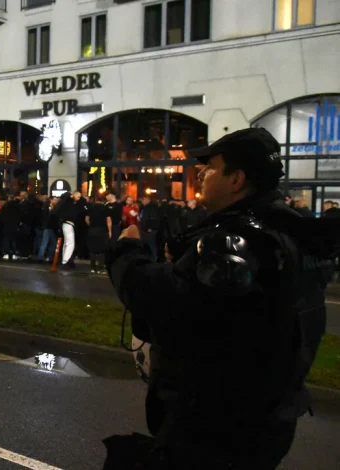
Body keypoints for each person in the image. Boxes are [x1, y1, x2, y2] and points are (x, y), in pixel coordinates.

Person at [106, 128, 334, 468]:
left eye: (210, 167)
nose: (200, 173)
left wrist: (127, 249)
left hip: (217, 425)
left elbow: (155, 296)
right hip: (271, 416)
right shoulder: (292, 231)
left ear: (237, 179)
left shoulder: (237, 243)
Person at [85, 194, 111, 274]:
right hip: (102, 230)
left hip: (93, 230)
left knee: (93, 249)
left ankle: (92, 267)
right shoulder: (106, 208)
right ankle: (100, 268)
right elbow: (108, 220)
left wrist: (91, 225)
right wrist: (110, 231)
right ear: (103, 200)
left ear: (95, 200)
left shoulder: (90, 207)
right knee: (102, 250)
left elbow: (86, 219)